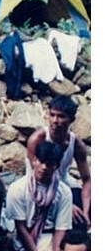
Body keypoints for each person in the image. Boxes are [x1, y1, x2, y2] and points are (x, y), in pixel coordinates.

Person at [25, 95, 90, 229]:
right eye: (52, 115)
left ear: (71, 119)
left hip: (62, 185)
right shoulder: (37, 139)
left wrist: (86, 211)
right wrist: (67, 204)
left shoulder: (76, 144)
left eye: (61, 116)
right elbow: (40, 175)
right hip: (38, 184)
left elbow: (87, 180)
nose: (55, 121)